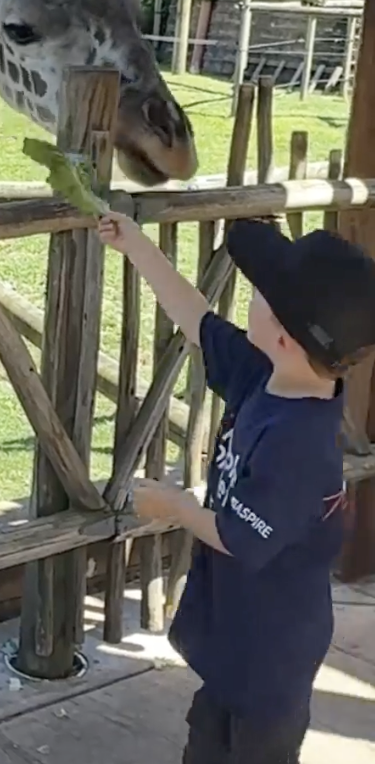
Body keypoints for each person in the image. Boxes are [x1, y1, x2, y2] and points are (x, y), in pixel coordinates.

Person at [96, 212, 375, 763]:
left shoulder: (299, 442)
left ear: (285, 336)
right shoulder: (269, 375)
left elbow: (242, 537)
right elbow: (196, 317)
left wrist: (172, 505)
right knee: (207, 740)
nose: (248, 297)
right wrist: (135, 243)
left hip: (273, 653)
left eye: (258, 292)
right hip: (239, 631)